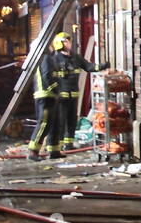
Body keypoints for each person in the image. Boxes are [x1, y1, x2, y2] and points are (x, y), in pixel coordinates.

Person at [28, 32, 107, 160]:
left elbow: (88, 66)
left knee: (55, 123)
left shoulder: (71, 57)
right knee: (45, 124)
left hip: (54, 95)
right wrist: (57, 91)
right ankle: (33, 151)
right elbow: (48, 76)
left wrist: (102, 66)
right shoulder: (47, 58)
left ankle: (54, 150)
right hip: (48, 95)